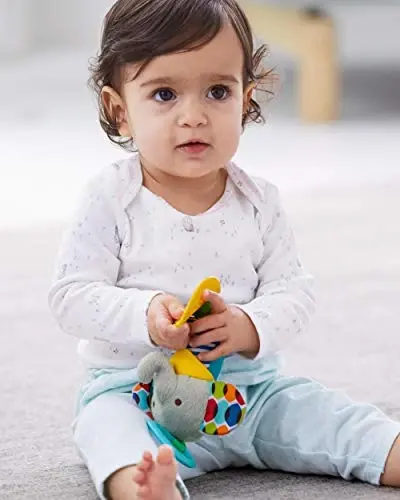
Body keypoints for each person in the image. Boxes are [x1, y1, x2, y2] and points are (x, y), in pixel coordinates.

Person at [48, 0, 400, 499]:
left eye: (218, 92)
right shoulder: (110, 198)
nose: (194, 117)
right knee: (108, 432)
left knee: (333, 417)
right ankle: (147, 487)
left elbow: (294, 292)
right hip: (139, 396)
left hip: (249, 395)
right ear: (119, 111)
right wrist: (145, 313)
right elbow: (71, 295)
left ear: (245, 99)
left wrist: (249, 325)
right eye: (165, 94)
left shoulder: (258, 201)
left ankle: (388, 451)